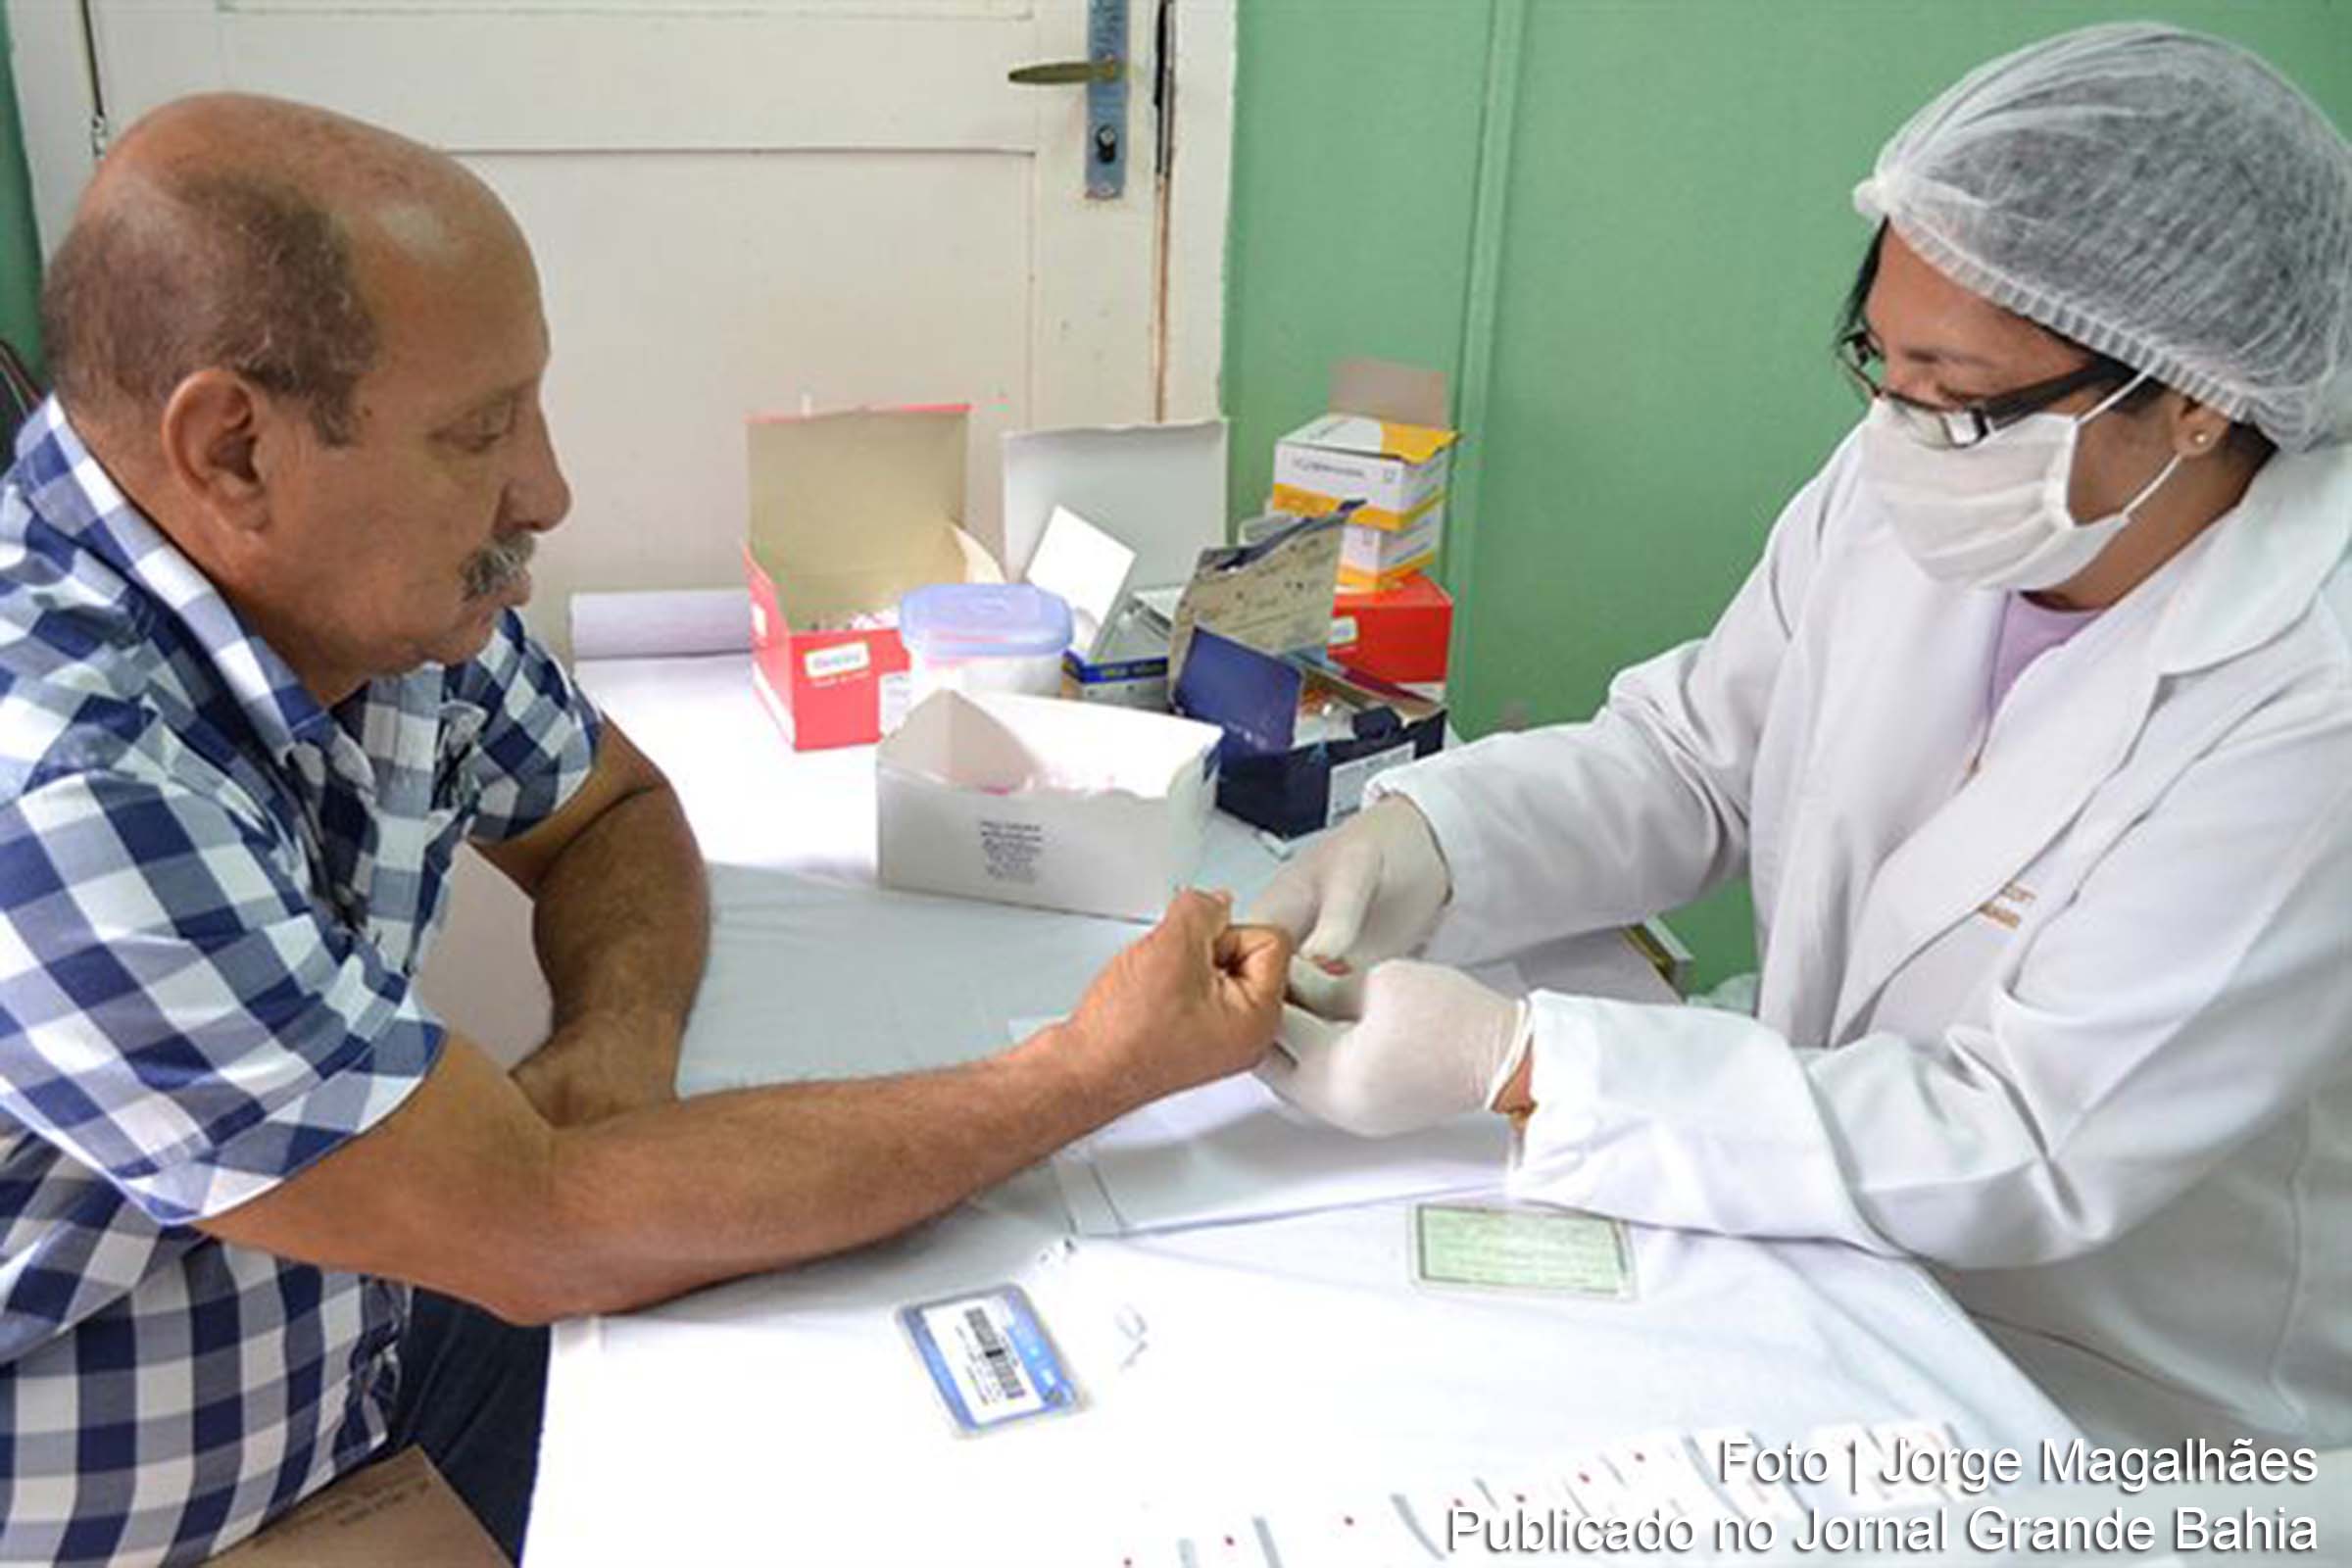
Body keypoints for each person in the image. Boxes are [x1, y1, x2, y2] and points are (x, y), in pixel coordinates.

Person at [0, 95, 1291, 1567]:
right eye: (478, 431)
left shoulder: (347, 590)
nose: (544, 490)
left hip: (373, 1348)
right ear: (233, 450)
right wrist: (1094, 1067)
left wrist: (618, 1036)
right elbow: (542, 1225)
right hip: (168, 1518)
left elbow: (609, 807)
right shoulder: (63, 791)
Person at [1252, 23, 2350, 1448]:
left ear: (2194, 397)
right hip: (1822, 1261)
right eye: (1880, 362)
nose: (1898, 426)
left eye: (1956, 395)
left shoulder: (2310, 689)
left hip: (2122, 1393)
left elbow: (2026, 1136)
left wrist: (1522, 1066)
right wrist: (1426, 844)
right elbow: (1699, 757)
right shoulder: (1932, 466)